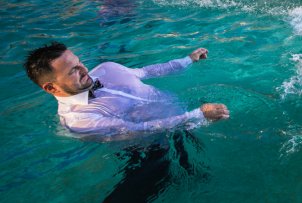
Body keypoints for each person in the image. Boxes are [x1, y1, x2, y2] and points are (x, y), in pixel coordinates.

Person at [23, 42, 229, 136]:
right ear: (51, 87)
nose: (84, 70)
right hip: (156, 143)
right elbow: (137, 130)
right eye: (72, 71)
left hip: (186, 109)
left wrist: (187, 60)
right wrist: (195, 116)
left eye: (79, 62)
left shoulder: (105, 70)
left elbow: (146, 71)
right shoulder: (78, 119)